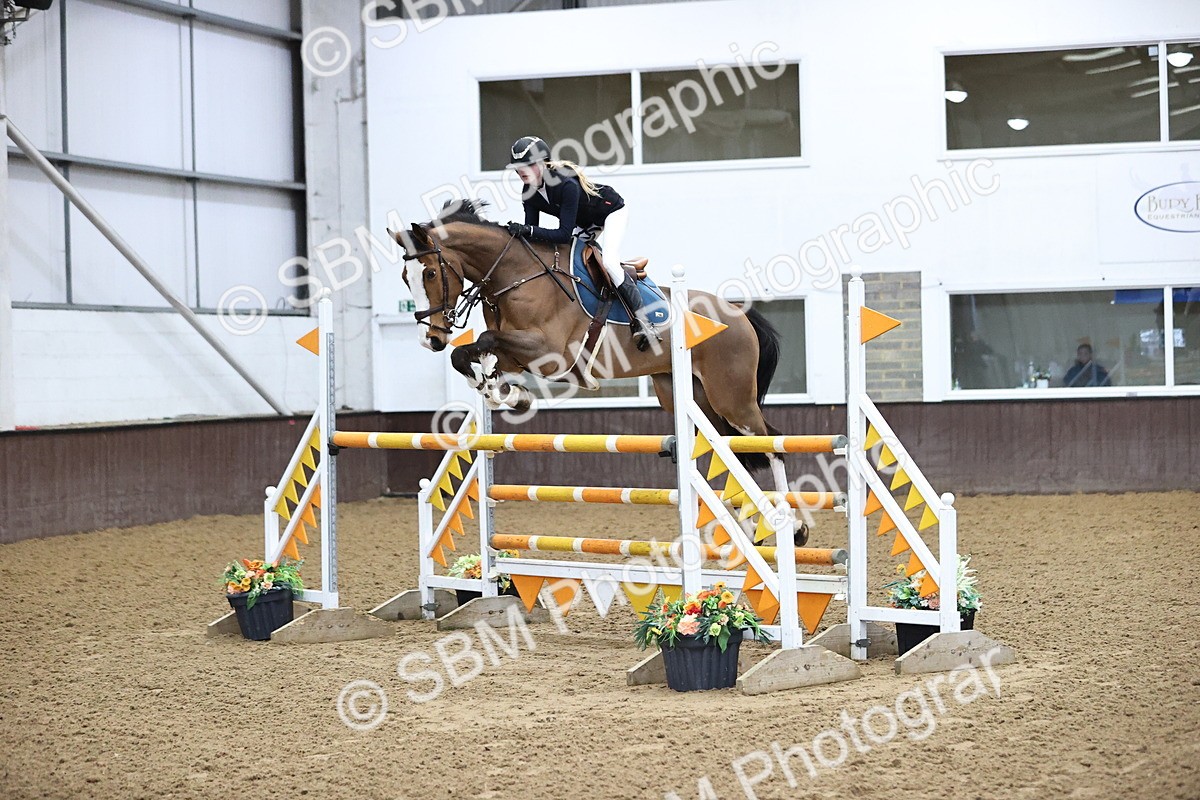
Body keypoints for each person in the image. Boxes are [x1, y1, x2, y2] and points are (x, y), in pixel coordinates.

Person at [504, 135, 654, 350]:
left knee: (610, 262)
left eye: (527, 165)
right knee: (566, 263)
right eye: (518, 168)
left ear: (542, 163)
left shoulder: (565, 184)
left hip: (610, 212)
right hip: (583, 223)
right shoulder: (529, 192)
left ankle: (644, 321)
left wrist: (528, 230)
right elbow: (532, 236)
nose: (521, 171)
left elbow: (563, 234)